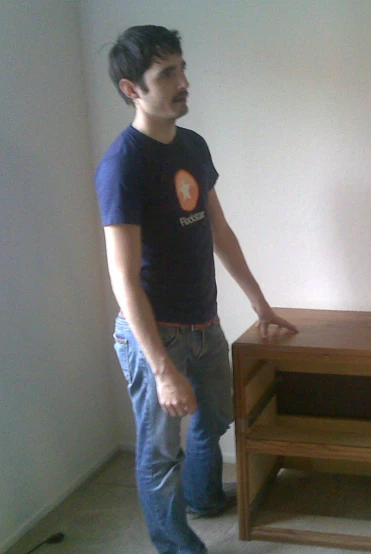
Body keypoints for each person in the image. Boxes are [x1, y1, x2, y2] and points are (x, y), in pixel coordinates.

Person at [94, 25, 297, 554]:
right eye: (167, 75)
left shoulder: (192, 145)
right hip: (156, 333)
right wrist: (161, 368)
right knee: (161, 452)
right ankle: (176, 545)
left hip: (204, 324)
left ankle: (204, 498)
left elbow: (219, 231)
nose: (184, 82)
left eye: (182, 69)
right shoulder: (123, 165)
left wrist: (260, 304)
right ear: (131, 89)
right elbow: (123, 277)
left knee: (217, 417)